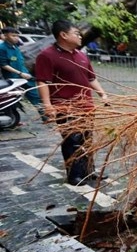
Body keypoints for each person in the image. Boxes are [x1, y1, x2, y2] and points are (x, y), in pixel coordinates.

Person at [35, 20, 109, 186]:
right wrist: (48, 105)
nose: (80, 36)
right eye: (76, 33)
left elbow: (91, 78)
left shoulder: (81, 55)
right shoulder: (47, 56)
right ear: (63, 35)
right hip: (66, 107)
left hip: (86, 106)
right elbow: (43, 81)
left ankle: (89, 172)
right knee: (72, 141)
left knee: (87, 139)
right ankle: (74, 175)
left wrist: (102, 94)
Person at [0, 27, 43, 118]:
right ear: (5, 36)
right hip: (13, 79)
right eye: (13, 36)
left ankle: (44, 115)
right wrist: (19, 73)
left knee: (35, 95)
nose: (16, 38)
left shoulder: (15, 47)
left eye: (17, 36)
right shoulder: (2, 48)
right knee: (12, 100)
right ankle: (11, 117)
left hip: (25, 76)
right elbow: (3, 64)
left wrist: (25, 73)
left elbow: (20, 61)